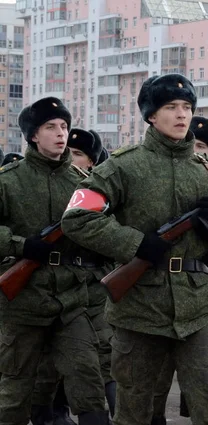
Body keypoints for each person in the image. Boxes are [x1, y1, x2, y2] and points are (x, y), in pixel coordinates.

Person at [62, 74, 208, 425]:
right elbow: (77, 217)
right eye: (171, 107)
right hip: (139, 307)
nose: (181, 115)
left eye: (187, 107)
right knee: (135, 409)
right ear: (151, 115)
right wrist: (137, 244)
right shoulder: (122, 166)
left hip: (196, 308)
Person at [0, 97, 109, 424]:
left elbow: (103, 232)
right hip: (24, 301)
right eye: (51, 127)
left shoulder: (83, 184)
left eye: (64, 126)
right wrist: (22, 246)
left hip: (72, 299)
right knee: (15, 388)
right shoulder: (8, 181)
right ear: (34, 135)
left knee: (88, 379)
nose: (61, 134)